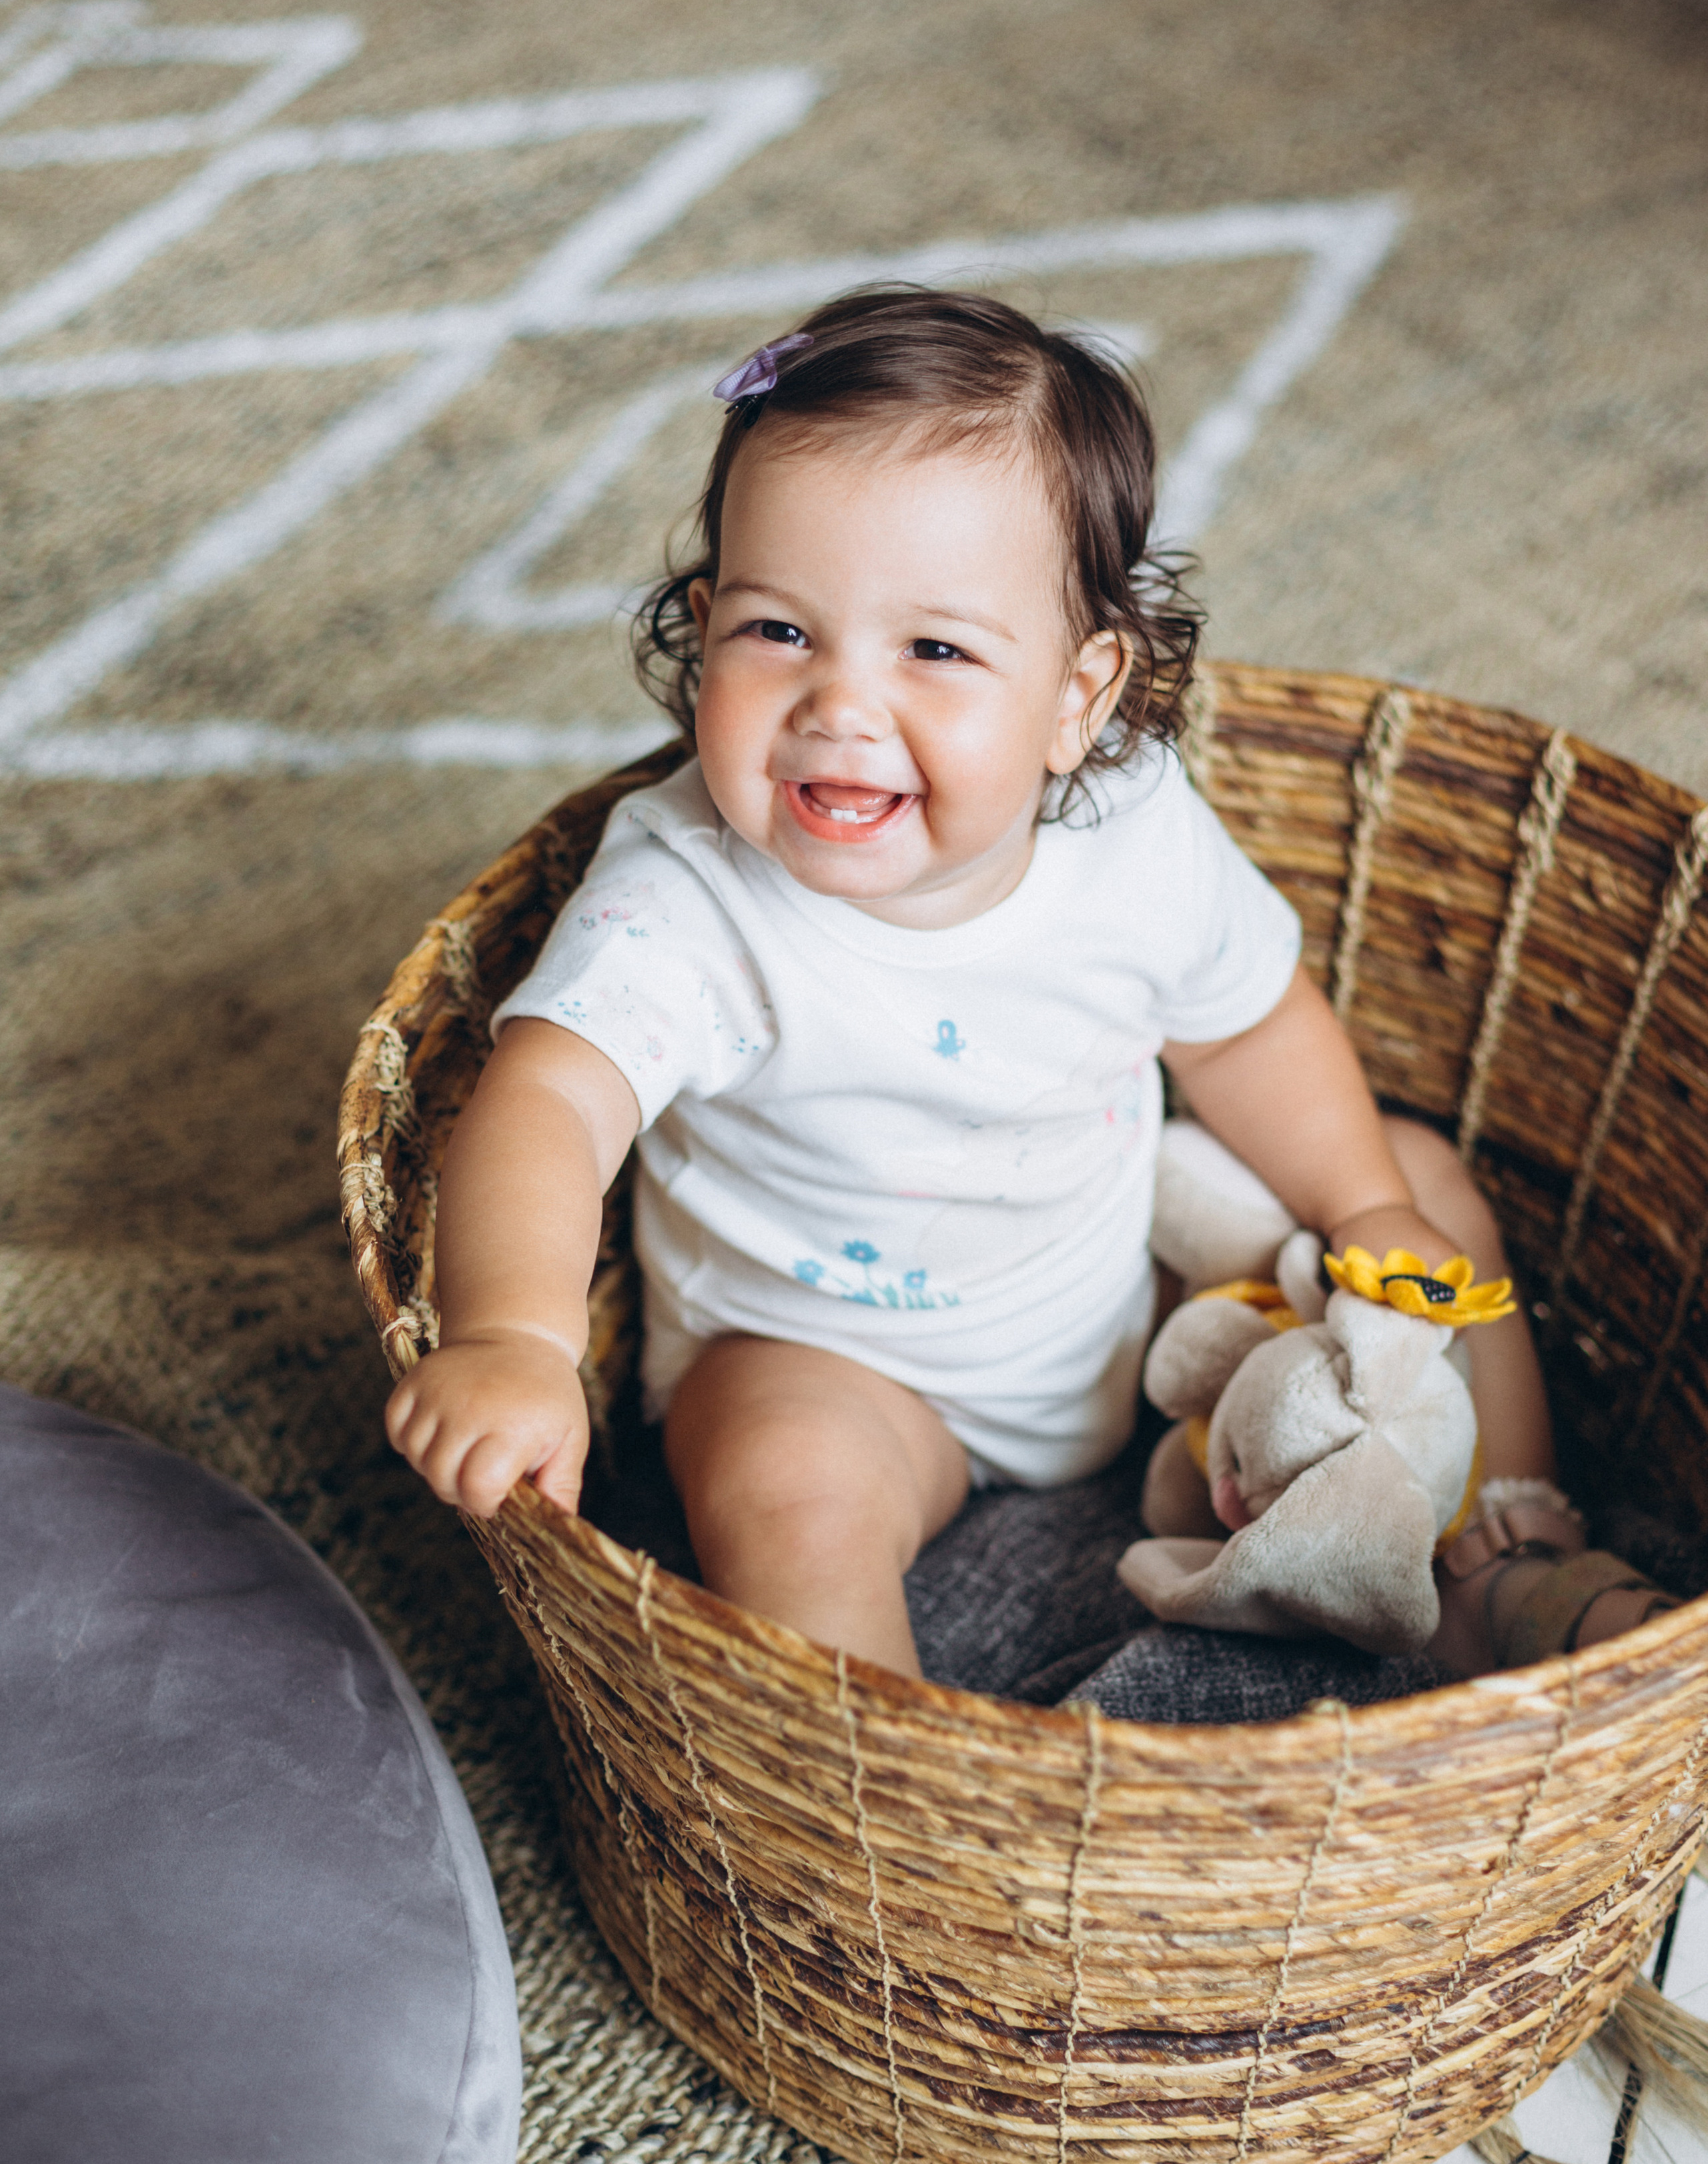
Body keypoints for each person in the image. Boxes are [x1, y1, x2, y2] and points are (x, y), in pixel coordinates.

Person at [386, 287, 1670, 1679]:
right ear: (701, 631)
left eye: (933, 650)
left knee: (1419, 1185)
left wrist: (1358, 1202)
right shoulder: (685, 894)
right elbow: (549, 1102)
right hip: (831, 1362)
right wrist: (512, 1333)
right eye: (776, 632)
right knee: (780, 1477)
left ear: (1078, 697)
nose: (841, 705)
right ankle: (878, 1786)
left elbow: (1242, 1030)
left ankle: (1502, 1555)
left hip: (1124, 1313)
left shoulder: (1130, 834)